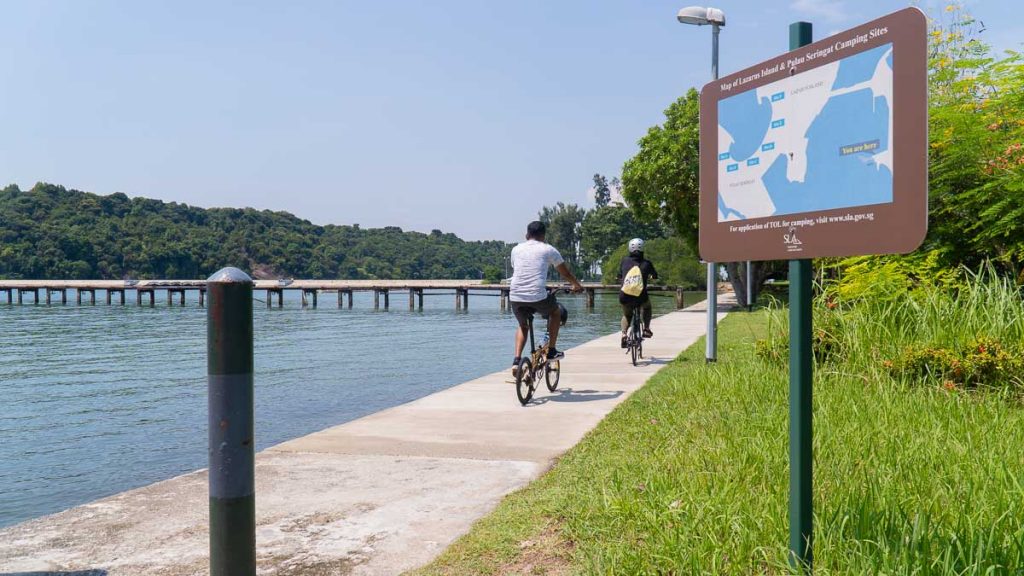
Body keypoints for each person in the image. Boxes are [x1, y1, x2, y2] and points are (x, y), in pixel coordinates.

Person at [509, 221, 583, 375]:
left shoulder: (516, 249)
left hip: (515, 295)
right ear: (543, 236)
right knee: (555, 312)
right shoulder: (548, 249)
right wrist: (576, 285)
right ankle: (551, 350)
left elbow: (520, 270)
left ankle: (516, 360)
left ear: (527, 235)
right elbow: (565, 273)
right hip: (537, 294)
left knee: (523, 326)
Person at [618, 238, 658, 348]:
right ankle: (646, 329)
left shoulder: (624, 261)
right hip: (641, 295)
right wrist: (651, 276)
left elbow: (619, 275)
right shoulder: (647, 263)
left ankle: (624, 334)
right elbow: (655, 276)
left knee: (627, 315)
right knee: (647, 307)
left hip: (624, 295)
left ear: (630, 248)